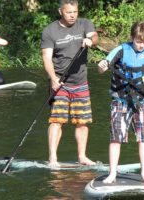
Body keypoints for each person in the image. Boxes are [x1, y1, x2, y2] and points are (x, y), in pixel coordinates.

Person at [98, 21, 144, 184]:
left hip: (141, 102)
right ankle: (112, 174)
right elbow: (102, 67)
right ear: (132, 38)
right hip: (120, 100)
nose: (141, 45)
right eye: (138, 41)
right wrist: (102, 66)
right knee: (116, 137)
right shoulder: (121, 50)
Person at [41, 0, 98, 168]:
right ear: (61, 12)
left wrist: (90, 41)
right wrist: (53, 78)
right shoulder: (50, 31)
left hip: (81, 82)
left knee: (82, 121)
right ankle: (52, 158)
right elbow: (46, 57)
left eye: (75, 11)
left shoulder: (84, 24)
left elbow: (94, 37)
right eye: (68, 12)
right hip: (60, 82)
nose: (72, 15)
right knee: (57, 120)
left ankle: (82, 156)